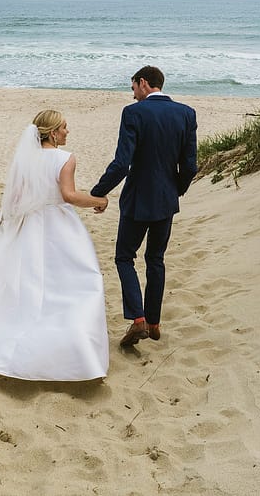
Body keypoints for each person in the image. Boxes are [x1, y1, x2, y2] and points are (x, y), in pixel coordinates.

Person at [0, 110, 110, 381]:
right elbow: (69, 195)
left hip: (29, 225)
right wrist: (100, 201)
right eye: (64, 128)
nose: (67, 132)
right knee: (75, 282)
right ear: (52, 132)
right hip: (59, 226)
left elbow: (14, 199)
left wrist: (9, 226)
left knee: (24, 284)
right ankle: (74, 352)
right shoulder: (65, 159)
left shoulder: (26, 159)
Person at [90, 66, 198, 348]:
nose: (133, 93)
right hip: (166, 200)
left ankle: (137, 318)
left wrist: (98, 193)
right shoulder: (186, 113)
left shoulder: (133, 113)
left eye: (133, 87)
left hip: (137, 199)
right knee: (156, 259)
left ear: (144, 83)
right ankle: (154, 322)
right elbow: (190, 165)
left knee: (124, 257)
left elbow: (121, 164)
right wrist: (177, 188)